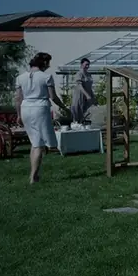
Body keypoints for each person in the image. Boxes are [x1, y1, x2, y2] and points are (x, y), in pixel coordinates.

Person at [15, 52, 71, 184]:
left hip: (25, 108)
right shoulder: (46, 77)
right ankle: (33, 176)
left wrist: (18, 115)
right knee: (39, 144)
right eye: (48, 63)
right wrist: (64, 108)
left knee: (34, 142)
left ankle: (33, 174)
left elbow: (18, 98)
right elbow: (53, 97)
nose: (49, 66)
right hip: (40, 108)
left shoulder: (20, 78)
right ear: (44, 63)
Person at [70, 58, 96, 124]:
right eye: (86, 64)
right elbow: (80, 86)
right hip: (80, 95)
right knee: (78, 111)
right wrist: (87, 95)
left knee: (87, 112)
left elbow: (89, 87)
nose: (87, 66)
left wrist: (92, 96)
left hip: (87, 96)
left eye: (88, 65)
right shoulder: (79, 74)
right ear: (81, 65)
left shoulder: (89, 74)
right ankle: (77, 124)